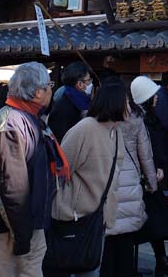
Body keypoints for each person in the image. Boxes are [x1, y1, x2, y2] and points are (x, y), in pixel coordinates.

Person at [0, 62, 69, 277]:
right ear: (37, 92)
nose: (52, 89)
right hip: (6, 229)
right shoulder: (11, 125)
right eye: (49, 85)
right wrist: (22, 235)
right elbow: (12, 188)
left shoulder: (27, 118)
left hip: (23, 225)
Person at [46, 81, 125, 277]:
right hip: (74, 215)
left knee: (90, 269)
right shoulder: (85, 129)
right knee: (66, 267)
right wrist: (68, 205)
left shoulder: (116, 131)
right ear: (116, 103)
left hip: (98, 217)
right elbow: (60, 169)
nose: (130, 107)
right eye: (127, 102)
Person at [101, 82, 158, 277]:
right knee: (126, 239)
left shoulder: (95, 120)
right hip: (130, 182)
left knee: (107, 241)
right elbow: (145, 155)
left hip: (106, 181)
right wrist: (152, 183)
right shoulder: (136, 118)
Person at [131, 75, 168, 277]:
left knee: (155, 220)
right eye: (153, 96)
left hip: (151, 175)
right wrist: (153, 169)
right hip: (143, 178)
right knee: (145, 221)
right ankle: (154, 262)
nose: (157, 98)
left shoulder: (146, 116)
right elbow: (143, 149)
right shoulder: (139, 120)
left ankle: (161, 261)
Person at [47, 61, 92, 142]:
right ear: (80, 84)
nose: (91, 83)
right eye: (88, 80)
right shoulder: (64, 107)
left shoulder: (76, 100)